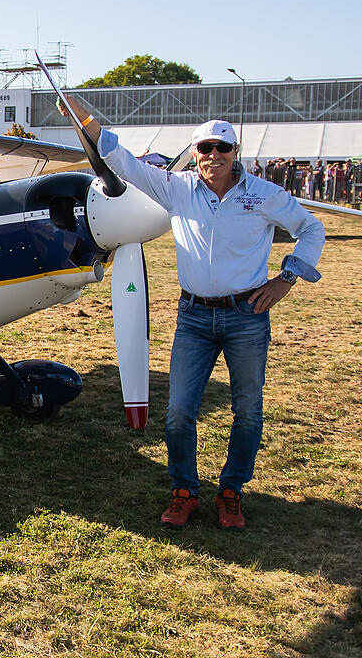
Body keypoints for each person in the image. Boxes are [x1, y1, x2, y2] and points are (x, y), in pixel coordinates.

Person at [58, 96, 325, 531]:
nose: (213, 156)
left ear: (236, 153)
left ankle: (231, 492)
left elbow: (311, 228)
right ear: (195, 153)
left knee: (248, 411)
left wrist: (287, 278)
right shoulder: (177, 188)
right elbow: (121, 160)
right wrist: (80, 116)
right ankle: (184, 490)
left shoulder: (264, 195)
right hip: (195, 319)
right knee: (180, 411)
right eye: (205, 148)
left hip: (247, 316)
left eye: (222, 148)